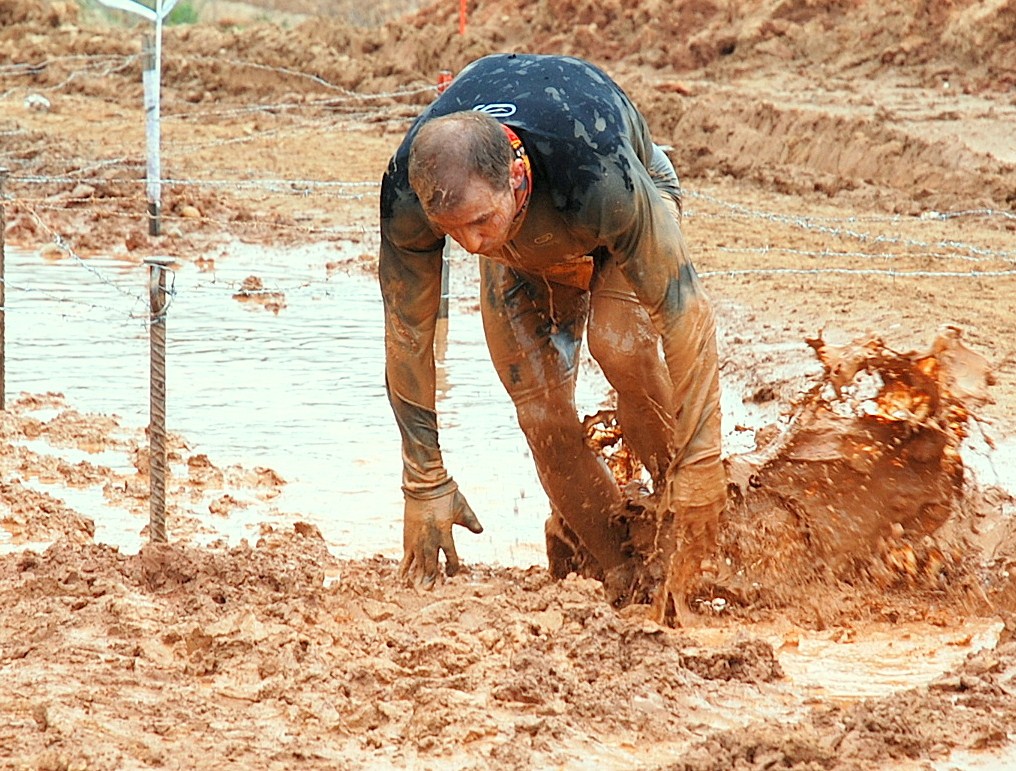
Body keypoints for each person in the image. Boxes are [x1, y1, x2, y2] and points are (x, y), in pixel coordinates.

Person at [378, 53, 726, 623]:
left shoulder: (598, 174)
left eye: (479, 223)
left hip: (617, 194)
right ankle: (622, 571)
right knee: (540, 413)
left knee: (620, 344)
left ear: (516, 177)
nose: (471, 246)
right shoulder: (410, 195)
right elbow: (408, 332)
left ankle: (691, 526)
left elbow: (685, 312)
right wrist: (424, 481)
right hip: (526, 240)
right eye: (451, 232)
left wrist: (702, 462)